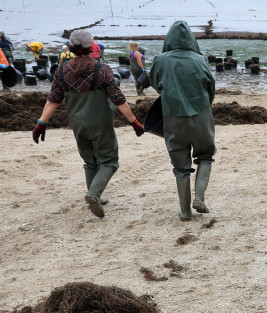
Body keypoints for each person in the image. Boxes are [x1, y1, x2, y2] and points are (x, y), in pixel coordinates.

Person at [32, 29, 144, 219]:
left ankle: (96, 196)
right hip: (100, 124)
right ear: (92, 46)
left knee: (89, 161)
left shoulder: (61, 71)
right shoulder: (103, 70)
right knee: (109, 161)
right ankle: (93, 194)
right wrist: (134, 122)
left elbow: (53, 100)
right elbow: (119, 99)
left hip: (78, 125)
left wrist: (41, 123)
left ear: (71, 48)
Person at [149, 20, 216, 221]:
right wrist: (203, 105)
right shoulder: (199, 59)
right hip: (201, 115)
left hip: (172, 116)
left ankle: (185, 212)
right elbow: (210, 87)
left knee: (180, 167)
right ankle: (200, 197)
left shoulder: (160, 59)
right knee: (205, 156)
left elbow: (155, 83)